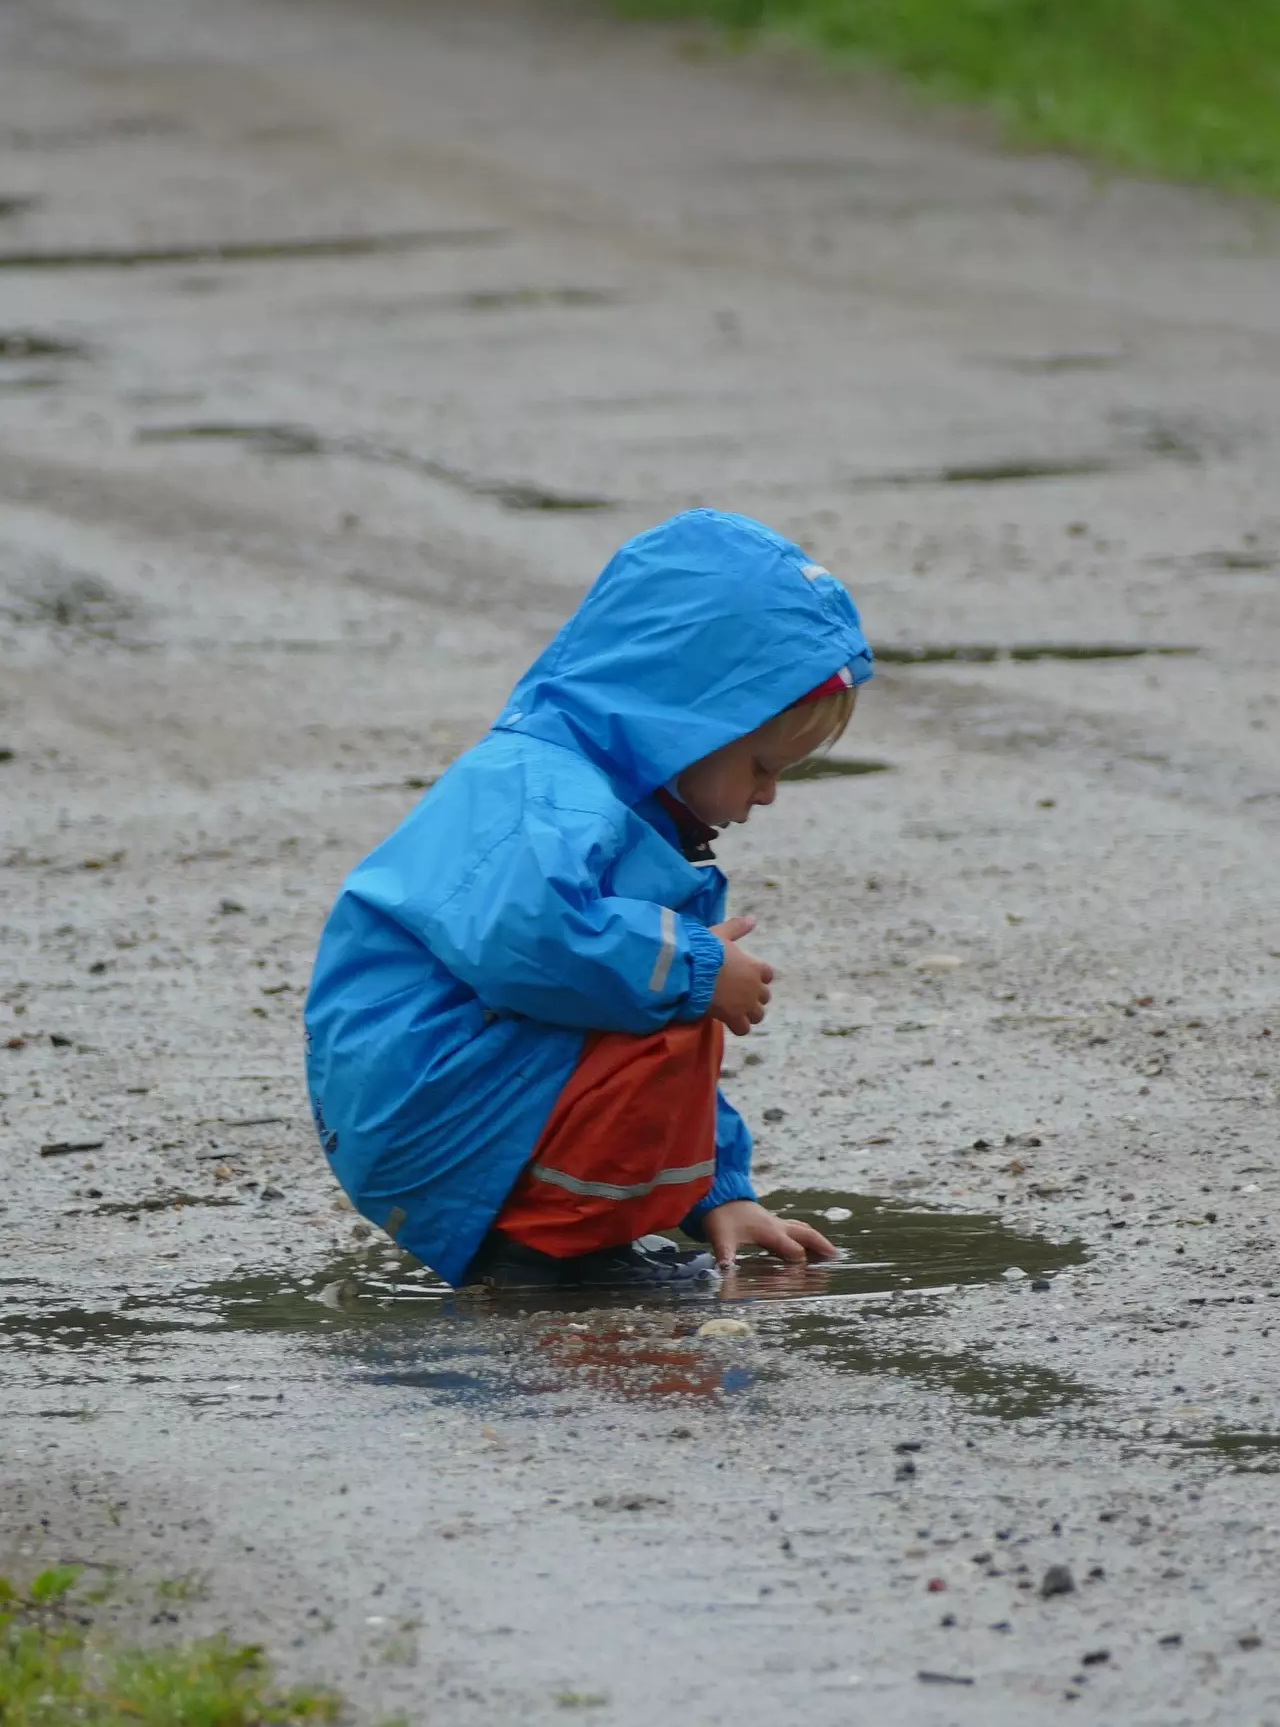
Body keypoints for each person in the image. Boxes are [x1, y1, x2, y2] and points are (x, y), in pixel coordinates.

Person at [304, 508, 874, 1289]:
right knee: (669, 995)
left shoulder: (631, 812)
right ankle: (549, 1255)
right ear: (690, 723)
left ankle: (583, 1237)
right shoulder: (549, 793)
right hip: (427, 1098)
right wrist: (700, 969)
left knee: (664, 993)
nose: (769, 796)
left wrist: (721, 1194)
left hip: (453, 1087)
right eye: (761, 766)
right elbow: (531, 941)